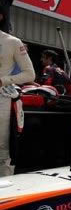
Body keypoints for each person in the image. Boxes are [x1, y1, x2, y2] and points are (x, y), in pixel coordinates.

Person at [0, 11, 36, 176]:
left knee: (3, 151)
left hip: (2, 100)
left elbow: (30, 74)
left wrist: (4, 80)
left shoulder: (12, 42)